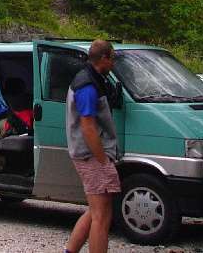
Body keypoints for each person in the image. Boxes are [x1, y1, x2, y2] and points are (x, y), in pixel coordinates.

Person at [64, 39, 120, 253]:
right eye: (113, 58)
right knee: (102, 216)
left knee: (95, 210)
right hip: (92, 156)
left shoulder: (92, 78)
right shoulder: (87, 85)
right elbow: (88, 127)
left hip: (90, 154)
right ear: (104, 58)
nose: (113, 63)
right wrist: (103, 161)